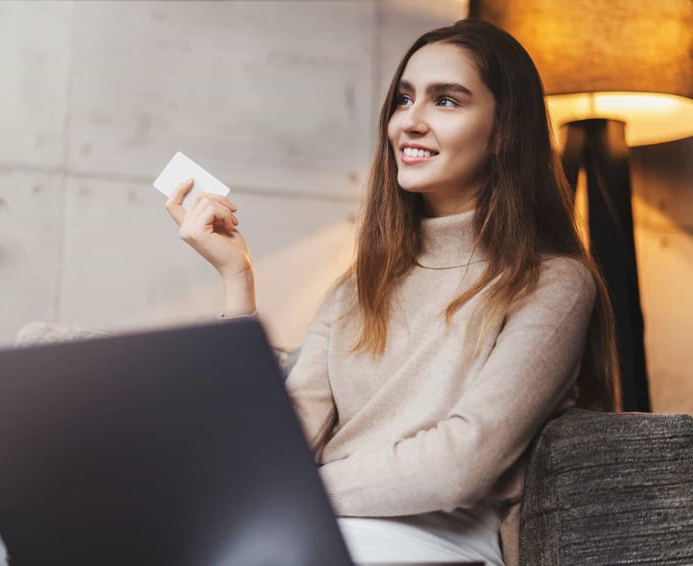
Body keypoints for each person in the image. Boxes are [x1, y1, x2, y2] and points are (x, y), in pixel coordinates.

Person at [164, 18, 620, 566]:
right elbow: (266, 455)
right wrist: (237, 281)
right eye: (404, 99)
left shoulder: (553, 282)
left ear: (505, 130)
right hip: (314, 529)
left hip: (436, 543)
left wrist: (295, 491)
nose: (411, 121)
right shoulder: (357, 287)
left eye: (446, 101)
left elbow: (460, 467)